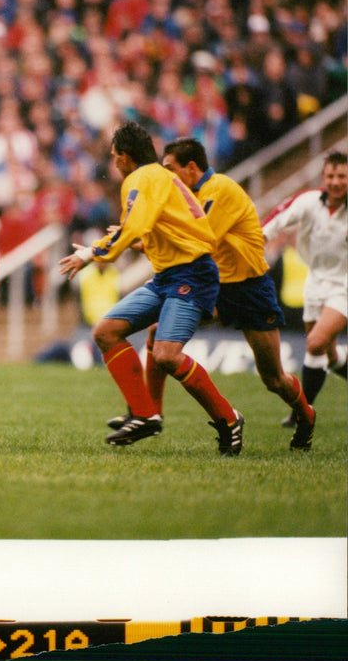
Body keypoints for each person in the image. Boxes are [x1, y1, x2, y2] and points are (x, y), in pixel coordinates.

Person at [115, 138, 316, 450]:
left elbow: (199, 240)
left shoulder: (220, 189)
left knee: (274, 379)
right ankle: (150, 414)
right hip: (216, 287)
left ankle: (306, 415)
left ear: (192, 168)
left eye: (170, 169)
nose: (166, 175)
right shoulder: (186, 196)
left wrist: (135, 238)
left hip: (250, 290)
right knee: (159, 336)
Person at [58, 121, 244, 455]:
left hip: (192, 274)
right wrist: (132, 235)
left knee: (166, 354)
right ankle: (144, 414)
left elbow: (134, 227)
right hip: (168, 276)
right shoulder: (161, 177)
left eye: (115, 157)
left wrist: (92, 252)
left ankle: (229, 418)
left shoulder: (140, 178)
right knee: (106, 331)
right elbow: (152, 226)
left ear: (125, 157)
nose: (113, 164)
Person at [261, 150, 348, 412]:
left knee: (315, 343)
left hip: (344, 285)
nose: (335, 181)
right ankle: (302, 412)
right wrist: (257, 242)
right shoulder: (308, 201)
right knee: (329, 355)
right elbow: (276, 220)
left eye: (342, 176)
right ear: (324, 177)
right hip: (315, 281)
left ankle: (302, 411)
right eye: (331, 176)